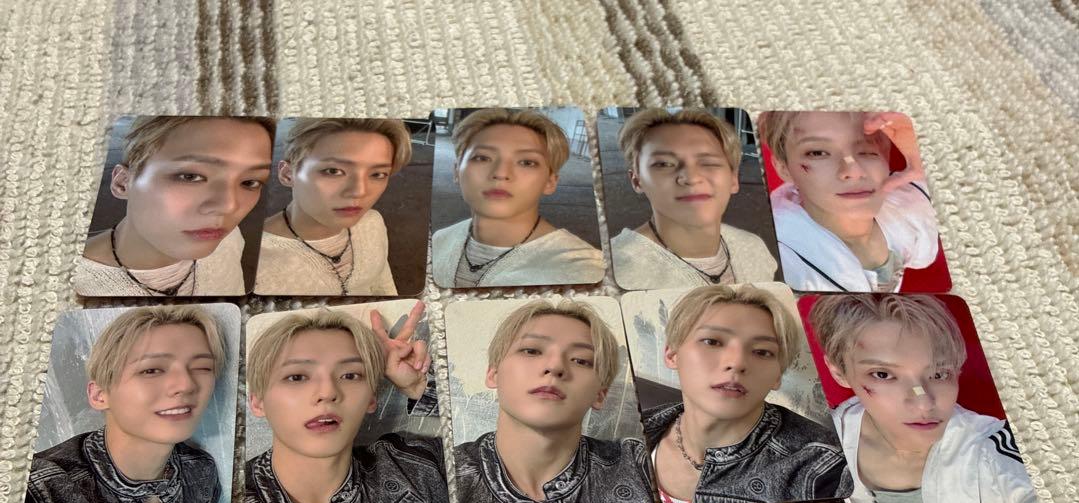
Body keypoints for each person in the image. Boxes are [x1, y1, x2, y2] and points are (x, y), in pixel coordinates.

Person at [808, 293, 1036, 503]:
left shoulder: (991, 449)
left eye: (938, 374)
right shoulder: (812, 445)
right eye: (883, 374)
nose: (924, 403)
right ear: (839, 373)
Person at [243, 302, 449, 503]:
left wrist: (420, 388)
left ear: (371, 397)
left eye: (350, 375)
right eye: (297, 377)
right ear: (257, 402)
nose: (328, 392)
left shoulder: (417, 468)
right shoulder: (233, 500)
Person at [21, 305, 227, 503]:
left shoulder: (202, 472)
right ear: (99, 395)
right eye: (151, 370)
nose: (186, 384)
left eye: (202, 367)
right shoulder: (41, 490)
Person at [641, 284, 850, 503]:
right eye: (712, 342)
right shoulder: (634, 436)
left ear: (777, 375)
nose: (737, 362)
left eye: (762, 352)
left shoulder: (822, 466)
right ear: (672, 354)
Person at [453, 298, 654, 503]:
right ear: (494, 374)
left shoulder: (639, 468)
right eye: (531, 350)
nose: (556, 366)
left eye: (581, 360)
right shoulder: (446, 472)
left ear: (600, 394)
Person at [75, 115, 273, 297]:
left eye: (249, 182)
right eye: (190, 176)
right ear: (122, 183)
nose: (229, 206)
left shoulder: (229, 240)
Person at [757, 110, 940, 293]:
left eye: (867, 151)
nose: (853, 170)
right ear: (784, 168)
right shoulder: (777, 262)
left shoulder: (914, 206)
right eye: (818, 153)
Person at [431, 108, 603, 287]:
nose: (501, 173)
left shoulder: (585, 270)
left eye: (526, 162)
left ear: (549, 182)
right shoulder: (440, 240)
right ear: (457, 171)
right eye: (482, 158)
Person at [610, 108, 777, 289]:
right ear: (637, 180)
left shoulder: (754, 249)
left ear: (733, 179)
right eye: (664, 164)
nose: (691, 177)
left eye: (708, 162)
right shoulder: (617, 268)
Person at [254, 117, 412, 297]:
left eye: (378, 174)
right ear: (288, 174)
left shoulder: (372, 222)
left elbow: (383, 284)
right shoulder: (256, 261)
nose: (359, 191)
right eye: (333, 171)